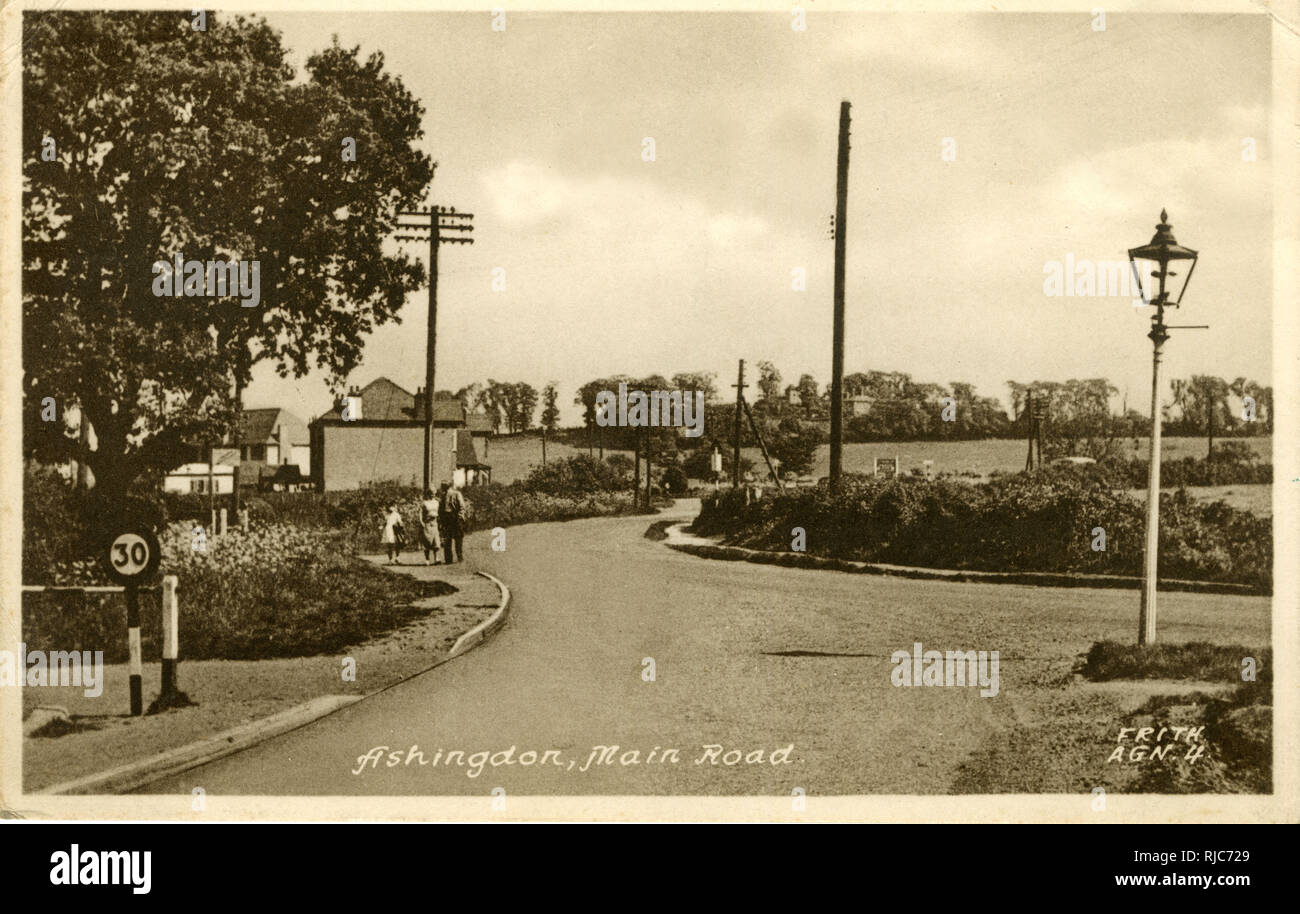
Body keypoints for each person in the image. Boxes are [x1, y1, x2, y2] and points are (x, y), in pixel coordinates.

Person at [439, 481, 468, 564]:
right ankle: (448, 559)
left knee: (458, 538)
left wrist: (460, 516)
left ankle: (459, 556)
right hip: (446, 518)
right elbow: (441, 508)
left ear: (448, 486)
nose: (443, 488)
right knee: (447, 539)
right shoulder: (443, 496)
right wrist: (441, 519)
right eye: (443, 486)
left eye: (444, 486)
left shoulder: (456, 494)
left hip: (455, 517)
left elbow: (462, 506)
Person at [418, 488, 441, 566]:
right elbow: (420, 513)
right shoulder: (424, 503)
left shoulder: (437, 502)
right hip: (427, 523)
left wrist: (440, 522)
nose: (432, 495)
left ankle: (436, 558)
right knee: (427, 541)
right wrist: (421, 522)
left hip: (434, 523)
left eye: (434, 493)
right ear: (428, 494)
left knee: (436, 541)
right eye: (431, 493)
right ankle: (427, 559)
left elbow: (439, 512)